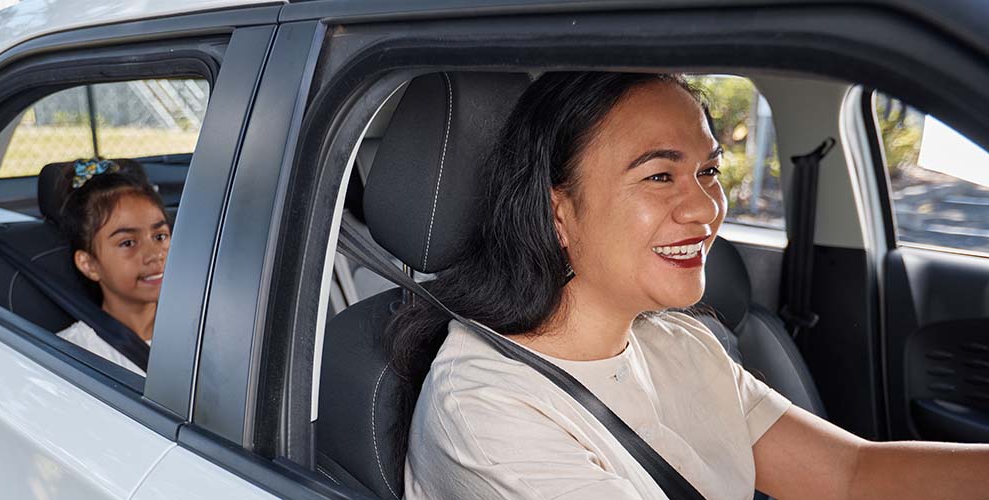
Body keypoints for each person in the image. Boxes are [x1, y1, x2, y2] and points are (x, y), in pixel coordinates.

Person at [394, 72, 989, 499]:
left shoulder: (681, 341)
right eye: (659, 175)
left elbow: (849, 474)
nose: (706, 210)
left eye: (708, 171)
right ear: (557, 213)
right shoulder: (486, 412)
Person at [55, 158, 169, 376]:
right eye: (128, 243)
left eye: (160, 236)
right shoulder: (75, 355)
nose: (155, 255)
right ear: (88, 265)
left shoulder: (204, 332)